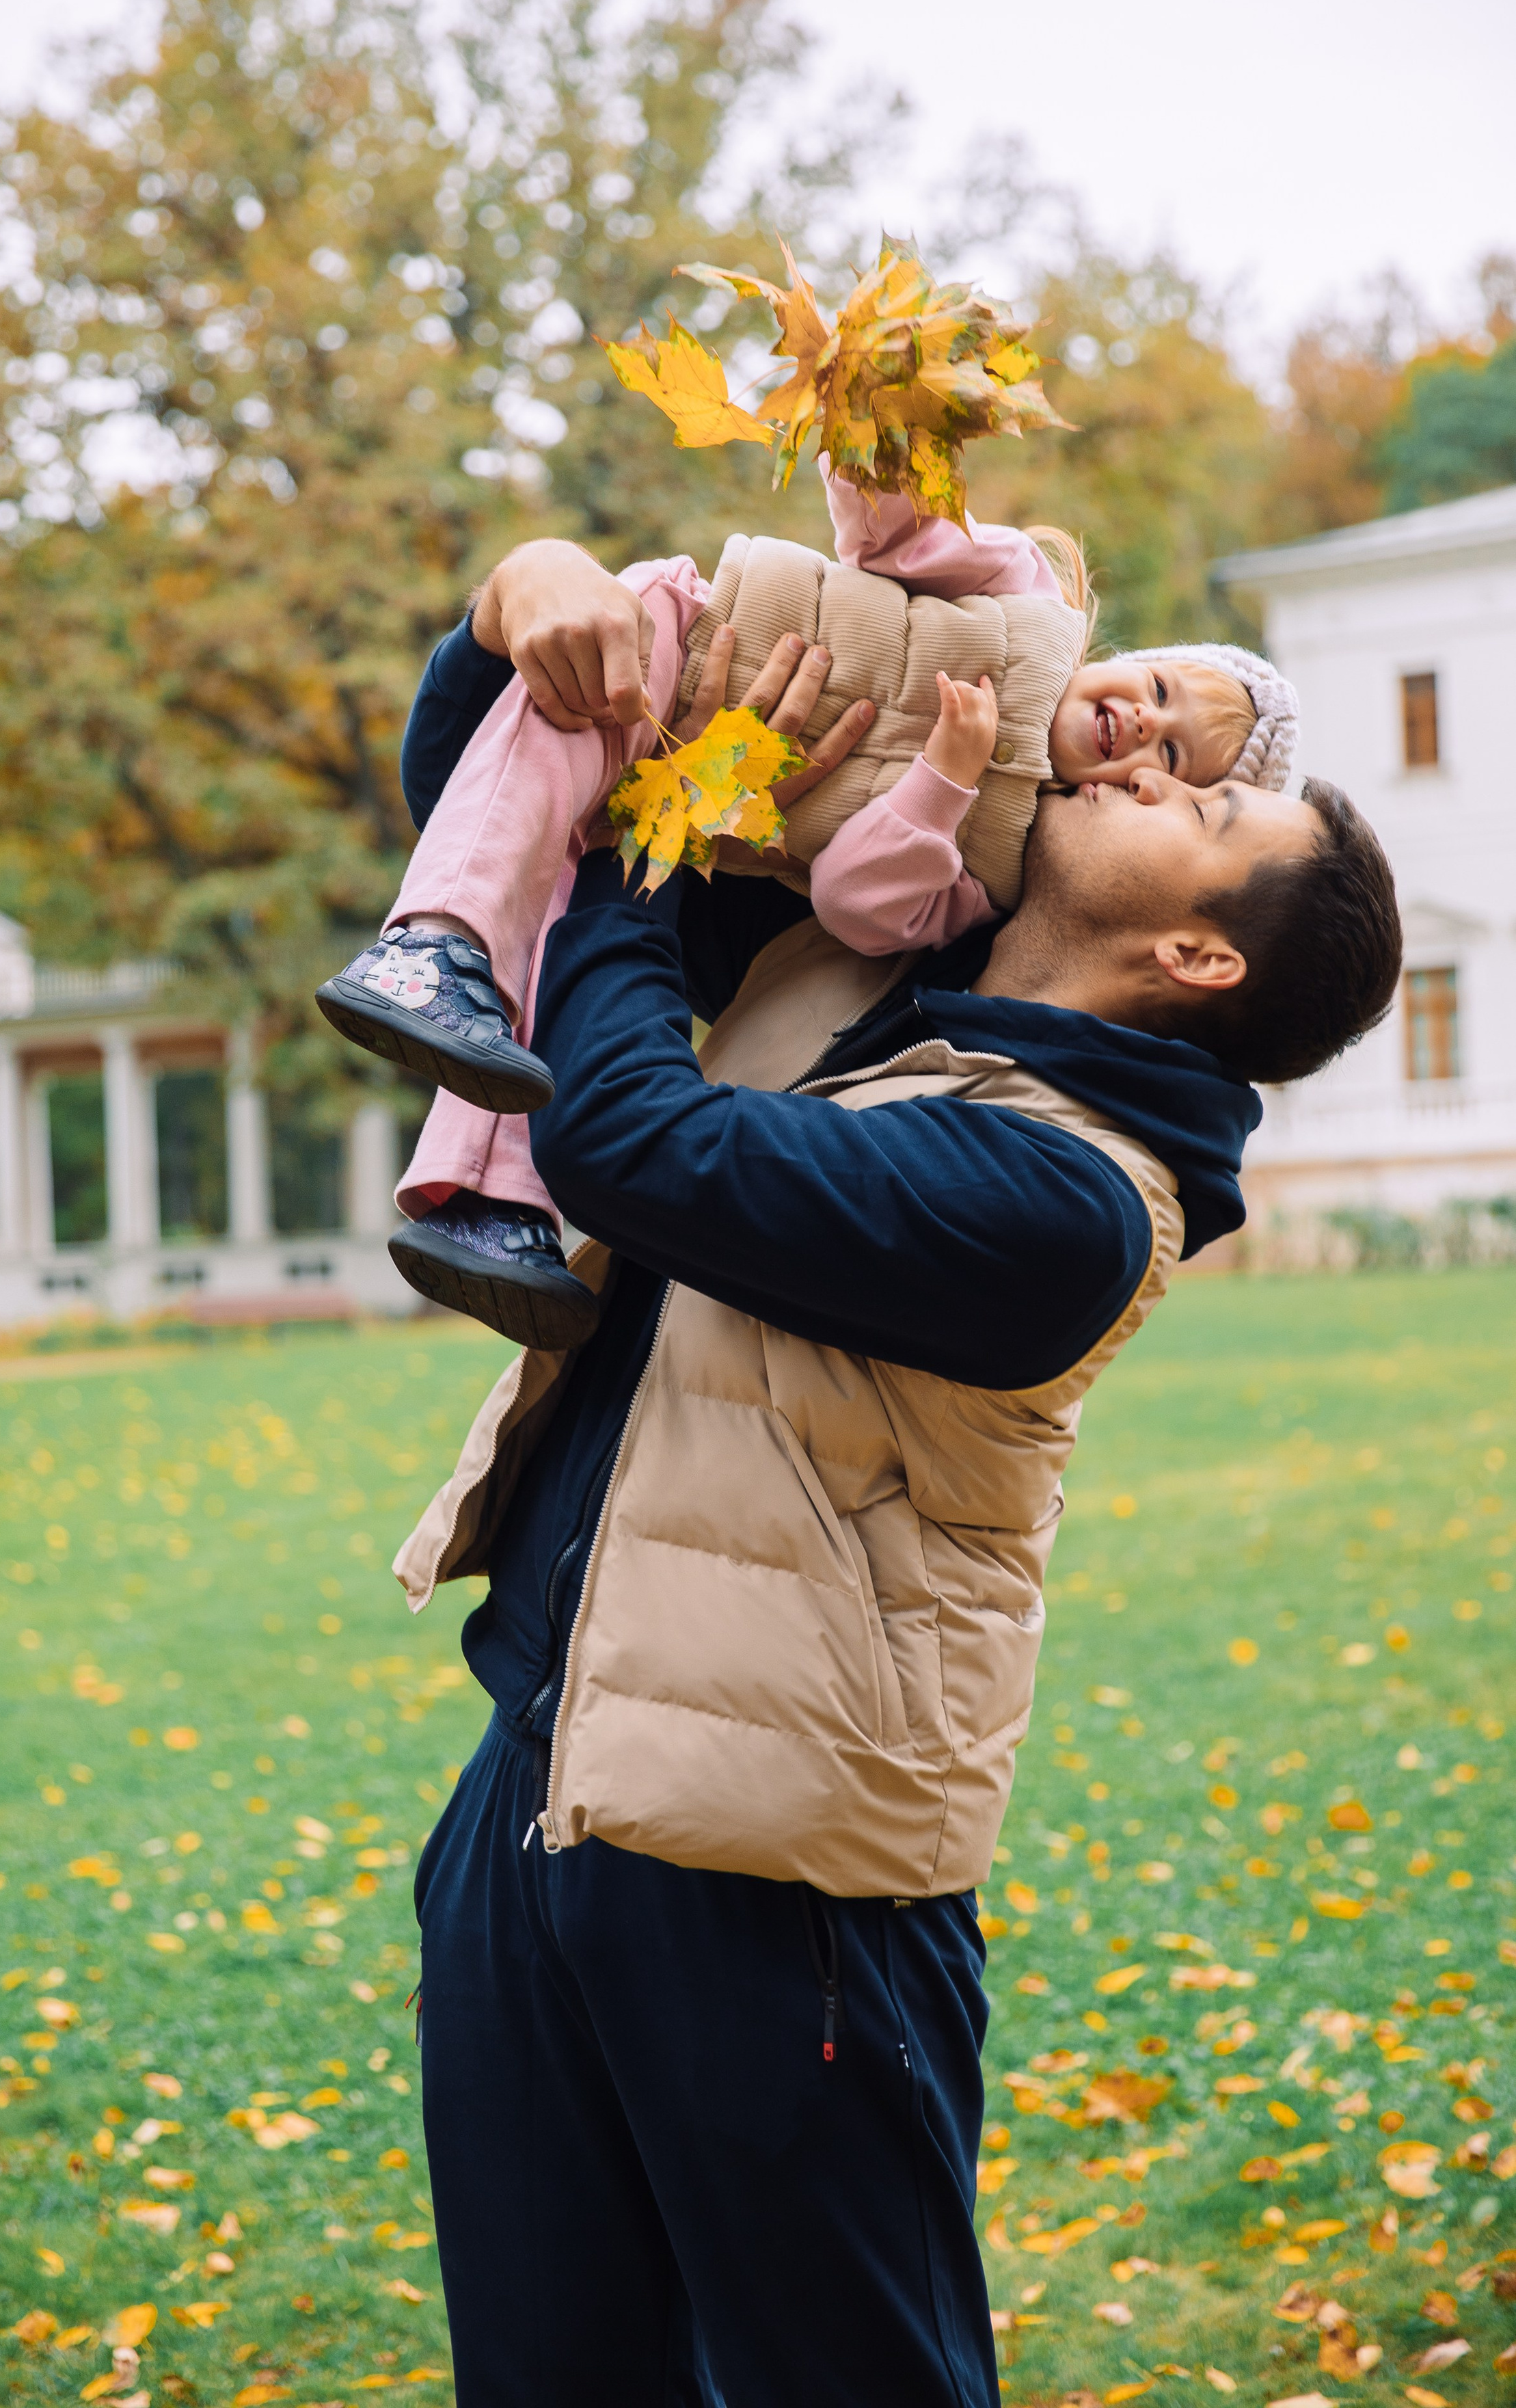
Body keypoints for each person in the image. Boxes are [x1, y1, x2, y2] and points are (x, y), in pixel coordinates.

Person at [388, 538, 1400, 2408]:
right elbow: (505, 847)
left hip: (790, 1906)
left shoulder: (1070, 1201)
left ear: (1198, 955)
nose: (1147, 760)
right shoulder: (872, 957)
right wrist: (516, 613)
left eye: (1206, 807)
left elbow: (631, 1142)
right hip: (540, 1793)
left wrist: (662, 831)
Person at [316, 473, 1298, 1347]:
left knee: (552, 901)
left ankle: (488, 1188)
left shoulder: (1059, 1182)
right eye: (1158, 686)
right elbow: (903, 532)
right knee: (536, 881)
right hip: (686, 642)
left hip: (705, 1505)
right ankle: (437, 966)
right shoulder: (1025, 609)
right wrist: (522, 590)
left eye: (1187, 783)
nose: (1146, 758)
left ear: (1199, 946)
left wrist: (676, 813)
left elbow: (628, 1122)